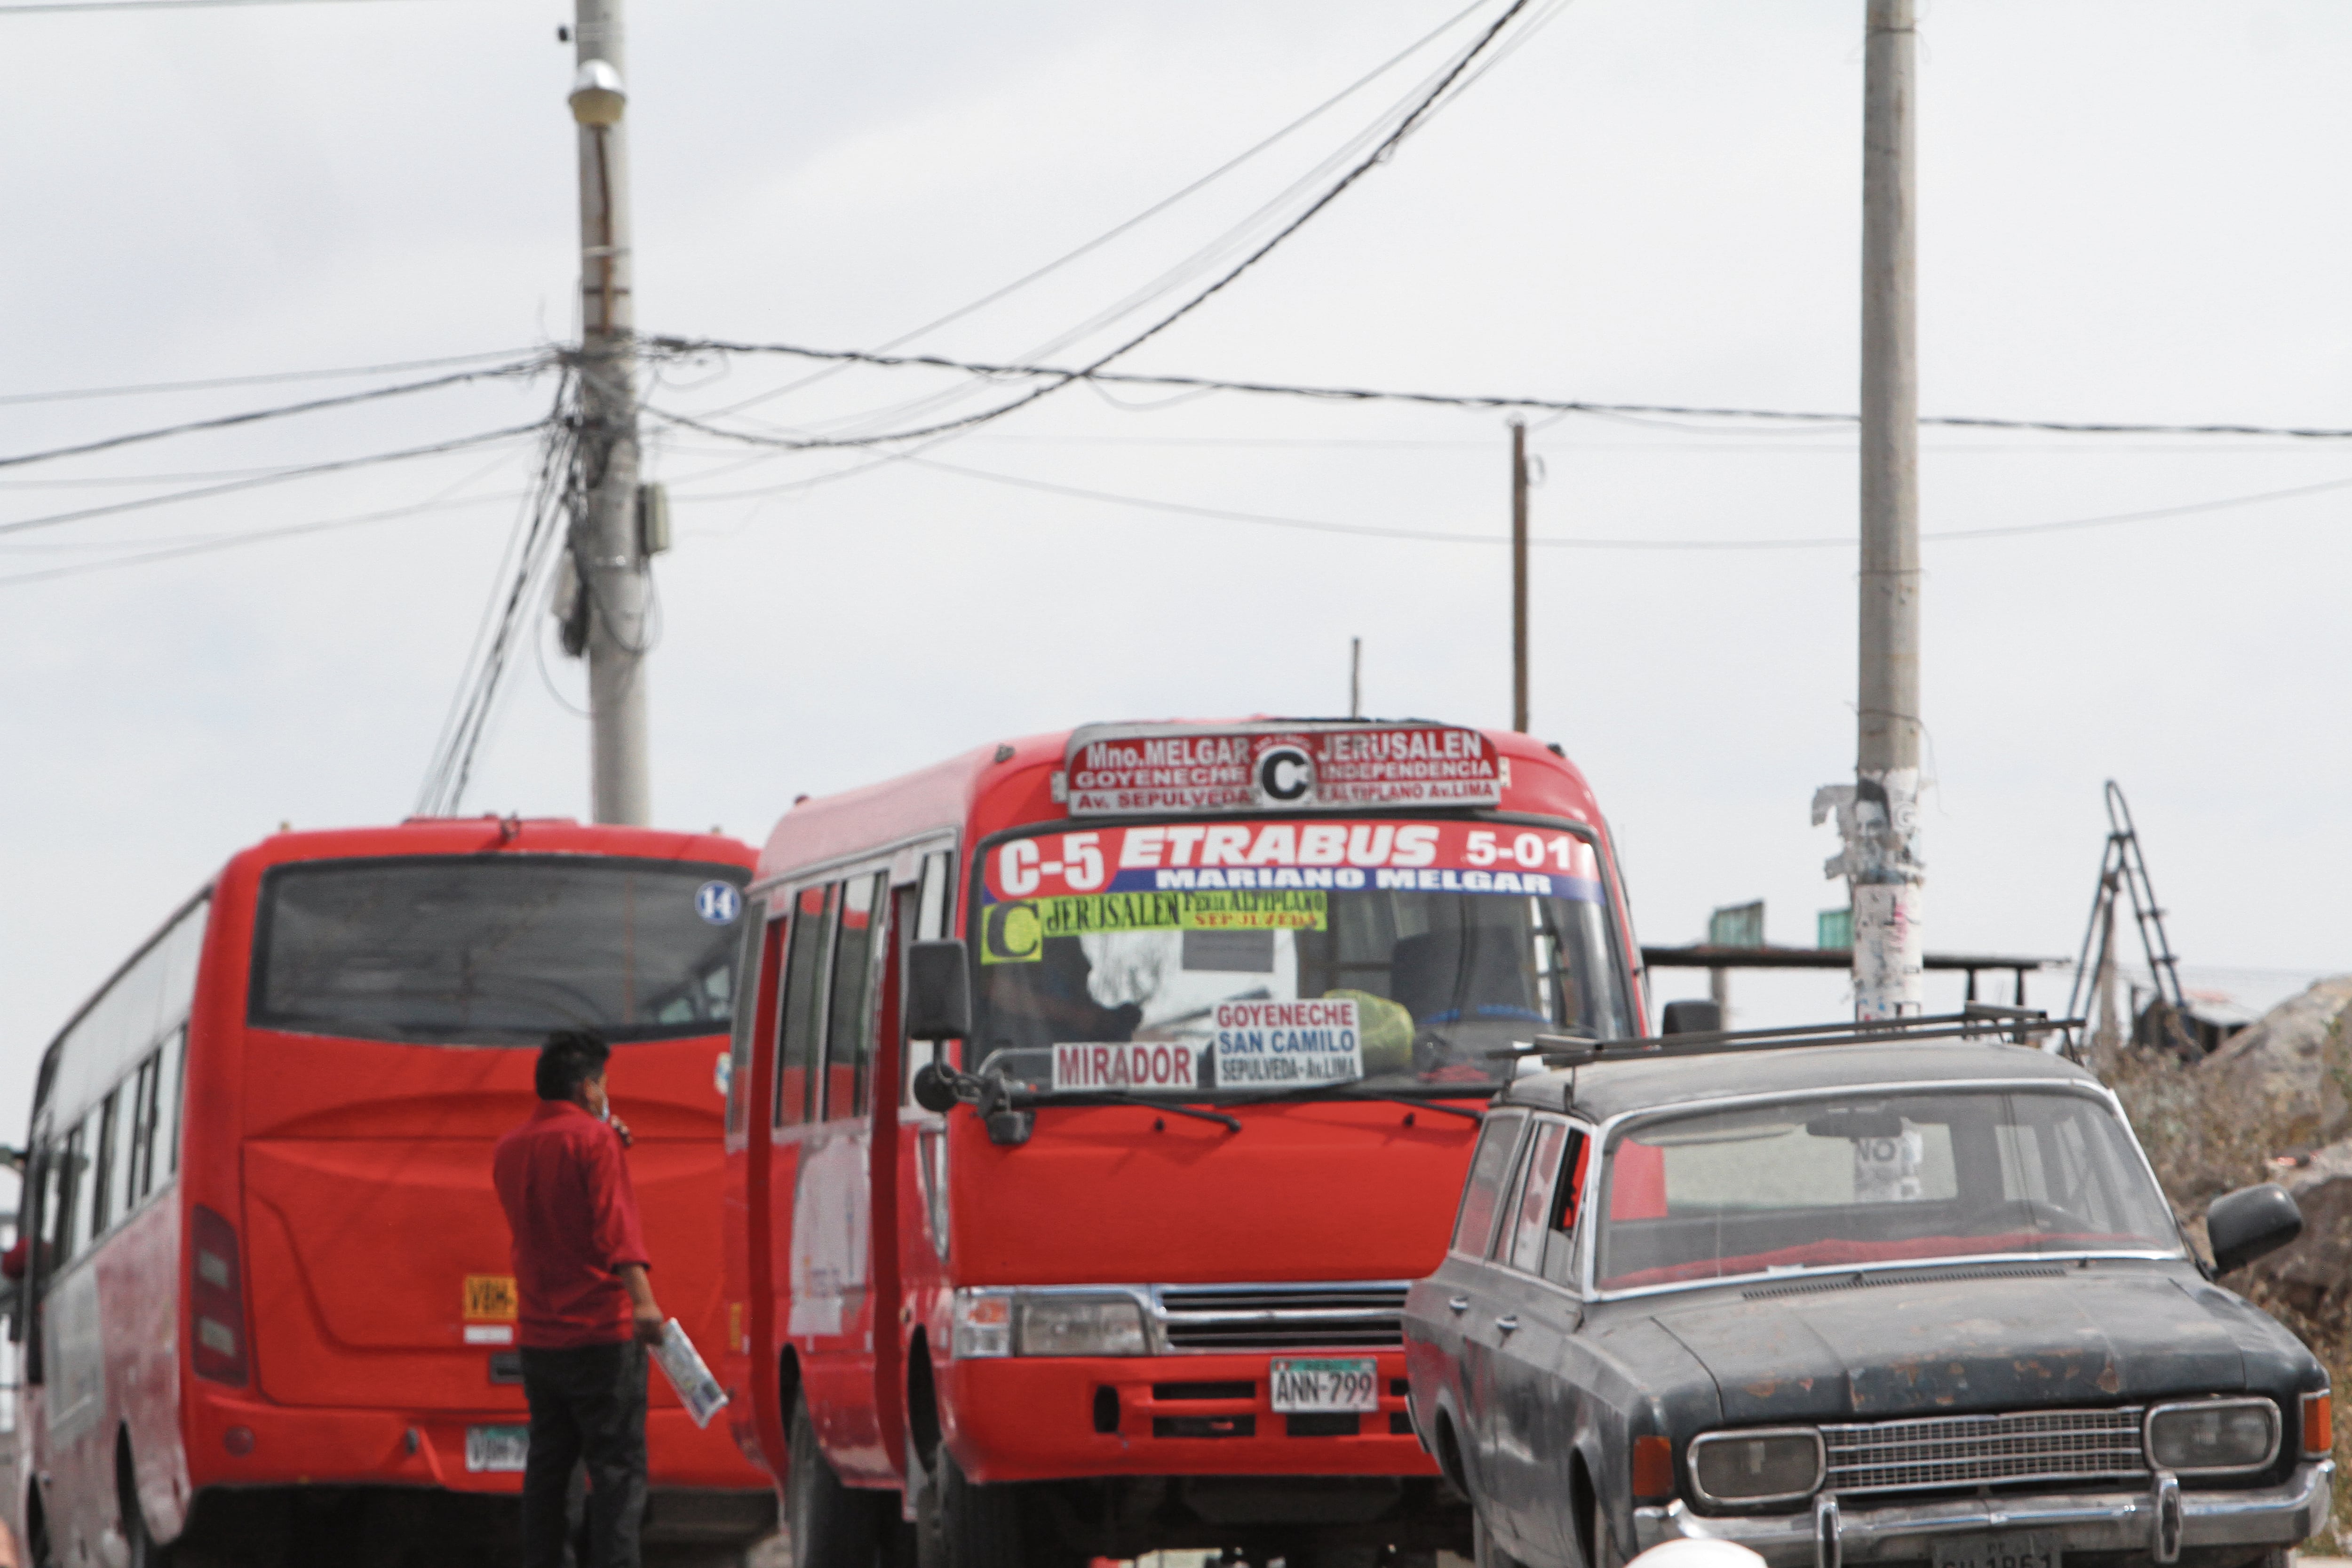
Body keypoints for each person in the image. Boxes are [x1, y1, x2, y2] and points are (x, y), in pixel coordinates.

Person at [493, 1029, 667, 1568]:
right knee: (616, 1471)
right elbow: (617, 1229)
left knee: (550, 1467)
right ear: (590, 1088)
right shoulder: (595, 1143)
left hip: (541, 1339)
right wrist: (644, 1303)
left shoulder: (511, 1148)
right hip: (600, 1334)